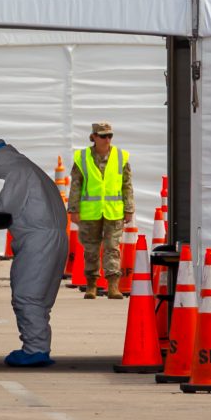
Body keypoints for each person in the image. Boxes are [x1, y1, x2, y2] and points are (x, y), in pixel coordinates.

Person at [0, 139, 68, 367]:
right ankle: (39, 347)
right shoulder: (33, 171)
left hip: (37, 241)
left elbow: (3, 211)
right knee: (40, 299)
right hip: (56, 239)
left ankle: (35, 349)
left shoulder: (19, 172)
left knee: (27, 296)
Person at [69, 121, 134, 299]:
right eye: (103, 136)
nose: (107, 139)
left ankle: (113, 286)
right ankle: (91, 285)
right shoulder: (82, 158)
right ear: (94, 137)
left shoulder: (121, 157)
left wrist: (129, 209)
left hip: (114, 211)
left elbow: (127, 186)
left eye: (109, 135)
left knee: (112, 248)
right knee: (90, 249)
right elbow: (76, 185)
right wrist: (74, 210)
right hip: (90, 211)